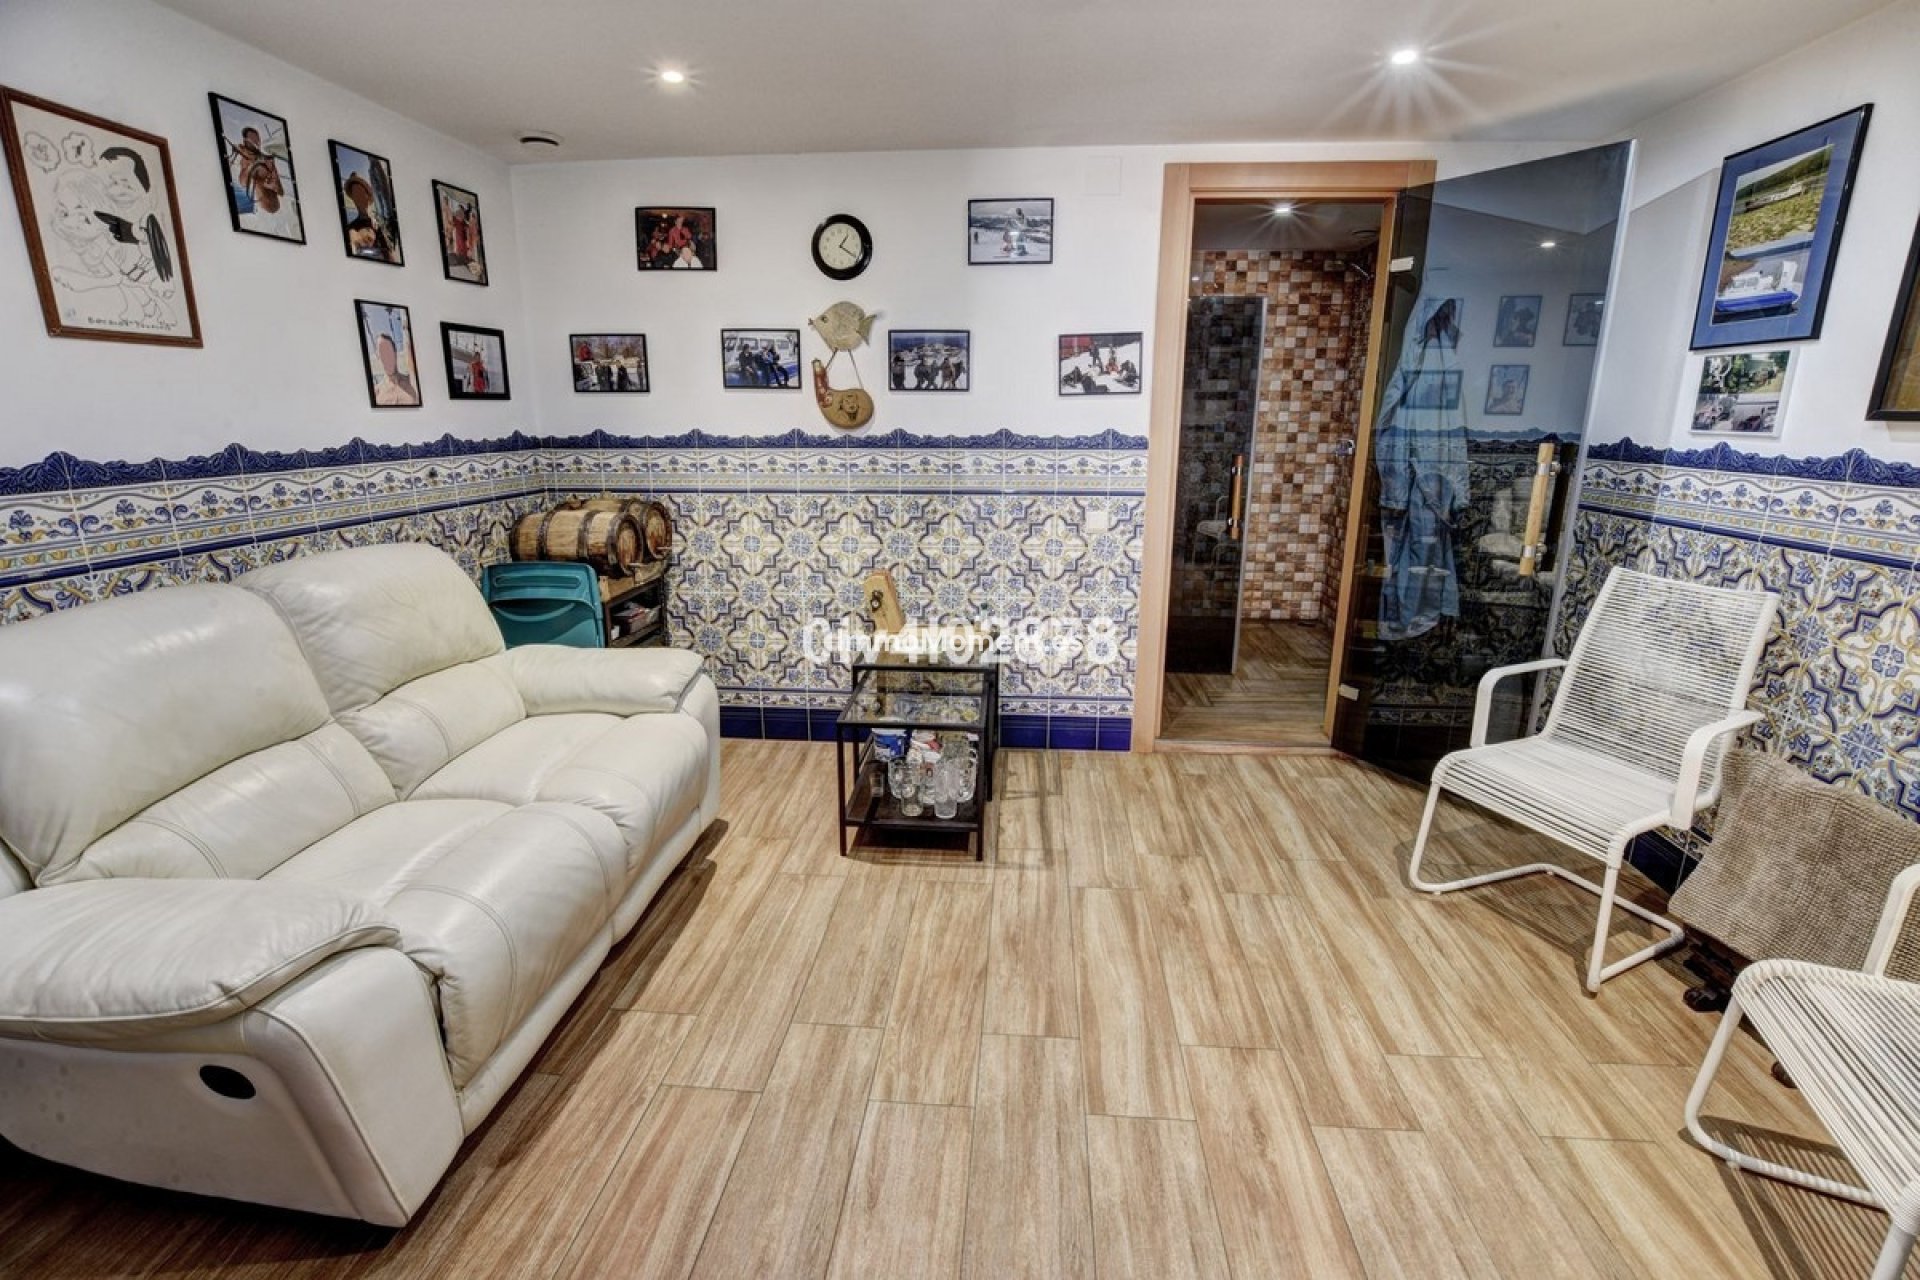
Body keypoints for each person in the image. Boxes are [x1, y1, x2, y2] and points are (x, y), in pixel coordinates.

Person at [343, 172, 394, 260]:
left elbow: (389, 254)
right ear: (353, 199)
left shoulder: (380, 221)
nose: (358, 197)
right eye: (355, 193)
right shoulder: (351, 227)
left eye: (360, 192)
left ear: (367, 196)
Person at [370, 331, 417, 405]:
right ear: (378, 357)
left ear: (395, 353)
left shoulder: (412, 382)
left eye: (388, 351)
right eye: (382, 353)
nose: (386, 357)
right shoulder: (376, 392)